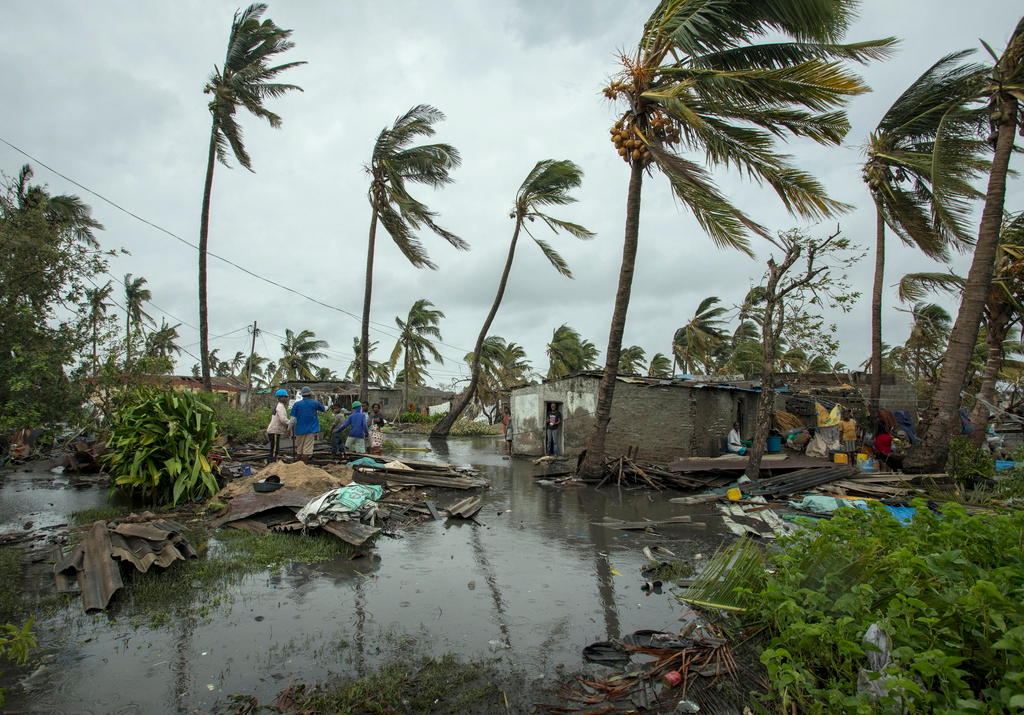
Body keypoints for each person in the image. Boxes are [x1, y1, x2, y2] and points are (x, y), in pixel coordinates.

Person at [290, 386, 326, 462]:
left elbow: (292, 419)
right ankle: (304, 465)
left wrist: (289, 429)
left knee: (299, 448)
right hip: (311, 429)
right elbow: (323, 409)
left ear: (302, 395)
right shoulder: (315, 403)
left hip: (299, 429)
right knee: (307, 448)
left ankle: (297, 465)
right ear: (310, 394)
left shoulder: (297, 404)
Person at [266, 389, 291, 460]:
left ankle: (272, 462)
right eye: (285, 397)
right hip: (274, 431)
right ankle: (272, 463)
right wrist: (291, 422)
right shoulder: (280, 407)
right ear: (279, 398)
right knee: (274, 450)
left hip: (275, 431)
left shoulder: (279, 406)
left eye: (286, 397)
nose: (286, 398)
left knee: (275, 448)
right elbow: (283, 420)